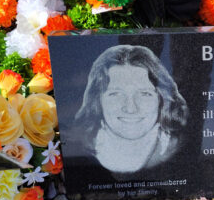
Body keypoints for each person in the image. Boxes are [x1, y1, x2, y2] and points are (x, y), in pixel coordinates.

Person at [74, 44, 188, 176]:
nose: (130, 108)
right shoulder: (78, 147)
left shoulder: (179, 147)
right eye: (116, 94)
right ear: (97, 99)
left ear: (161, 99)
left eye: (144, 94)